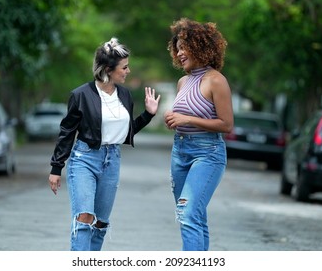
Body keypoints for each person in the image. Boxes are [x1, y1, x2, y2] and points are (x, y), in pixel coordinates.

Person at [48, 37, 160, 251]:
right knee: (85, 217)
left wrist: (148, 114)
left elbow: (126, 131)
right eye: (124, 67)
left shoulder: (125, 95)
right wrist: (56, 167)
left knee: (100, 223)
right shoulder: (81, 95)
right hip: (84, 159)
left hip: (112, 160)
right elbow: (67, 131)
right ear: (109, 69)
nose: (128, 71)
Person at [164, 18, 234, 251]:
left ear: (201, 47)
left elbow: (226, 124)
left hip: (207, 154)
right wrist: (173, 120)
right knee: (193, 216)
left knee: (187, 213)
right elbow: (184, 115)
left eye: (185, 47)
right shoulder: (183, 81)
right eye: (178, 48)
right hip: (180, 151)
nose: (180, 52)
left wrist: (187, 119)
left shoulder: (216, 80)